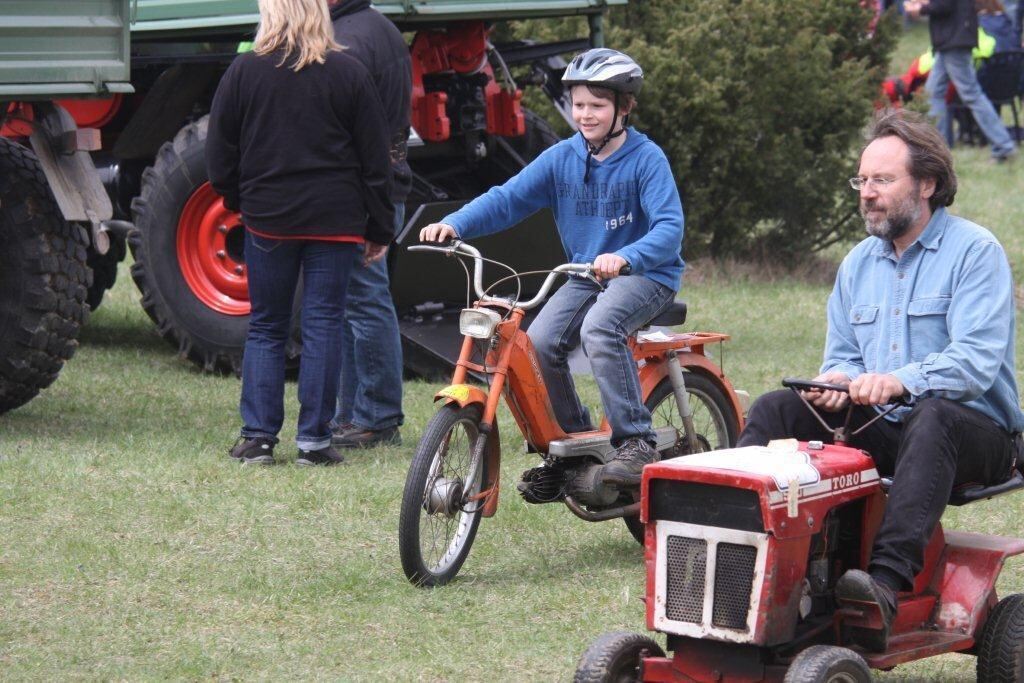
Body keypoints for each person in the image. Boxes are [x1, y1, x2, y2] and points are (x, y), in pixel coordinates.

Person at [736, 109, 1024, 651]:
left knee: (933, 415)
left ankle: (885, 585)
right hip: (890, 427)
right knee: (778, 408)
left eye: (883, 181)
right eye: (862, 181)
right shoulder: (857, 265)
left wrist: (897, 380)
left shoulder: (975, 251)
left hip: (976, 432)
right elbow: (844, 356)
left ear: (928, 184)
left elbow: (976, 361)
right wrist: (835, 380)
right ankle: (744, 546)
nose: (867, 193)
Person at [420, 48, 685, 488]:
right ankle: (574, 446)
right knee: (538, 342)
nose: (585, 114)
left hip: (647, 274)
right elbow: (508, 198)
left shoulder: (646, 159)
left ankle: (636, 441)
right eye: (579, 104)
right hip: (586, 274)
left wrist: (626, 256)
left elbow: (669, 229)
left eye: (597, 105)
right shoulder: (563, 158)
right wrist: (454, 223)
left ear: (624, 107)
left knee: (600, 328)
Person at [207, 0, 394, 466]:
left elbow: (219, 154)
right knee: (323, 324)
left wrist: (239, 200)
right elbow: (375, 161)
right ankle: (314, 440)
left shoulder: (243, 72)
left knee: (267, 326)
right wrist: (379, 226)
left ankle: (258, 438)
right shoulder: (349, 73)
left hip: (269, 216)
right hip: (336, 219)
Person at [327, 0, 410, 449]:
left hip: (363, 189)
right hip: (382, 185)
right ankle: (354, 414)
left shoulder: (348, 40)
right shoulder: (379, 28)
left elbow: (355, 132)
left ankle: (376, 417)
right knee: (355, 300)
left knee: (363, 299)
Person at [905, 0, 1017, 161]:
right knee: (932, 94)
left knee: (971, 94)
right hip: (952, 39)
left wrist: (921, 9)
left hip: (954, 40)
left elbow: (944, 5)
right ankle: (939, 149)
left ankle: (1003, 146)